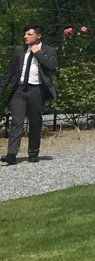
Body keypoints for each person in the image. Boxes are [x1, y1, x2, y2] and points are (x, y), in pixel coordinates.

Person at [3, 25, 58, 165]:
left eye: (29, 34)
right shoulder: (19, 50)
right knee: (17, 121)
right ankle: (11, 154)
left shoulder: (49, 50)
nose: (25, 36)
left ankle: (33, 152)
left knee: (35, 122)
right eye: (25, 34)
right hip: (19, 89)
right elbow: (9, 72)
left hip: (37, 90)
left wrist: (38, 53)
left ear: (38, 36)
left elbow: (52, 66)